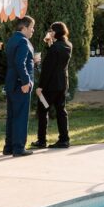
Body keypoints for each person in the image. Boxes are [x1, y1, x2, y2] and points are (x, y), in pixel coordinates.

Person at [32, 21, 72, 149]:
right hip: (62, 84)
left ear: (55, 32)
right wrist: (50, 44)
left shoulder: (55, 48)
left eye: (51, 30)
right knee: (61, 111)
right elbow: (57, 59)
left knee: (43, 110)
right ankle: (64, 139)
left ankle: (42, 140)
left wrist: (40, 87)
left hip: (49, 87)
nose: (49, 32)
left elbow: (48, 69)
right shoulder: (67, 45)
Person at [3, 15, 36, 157]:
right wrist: (25, 82)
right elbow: (19, 63)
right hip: (20, 84)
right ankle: (18, 148)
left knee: (12, 116)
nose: (33, 30)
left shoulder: (12, 40)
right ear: (24, 27)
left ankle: (8, 147)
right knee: (20, 116)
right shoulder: (23, 41)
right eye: (31, 27)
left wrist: (33, 61)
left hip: (11, 83)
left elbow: (17, 62)